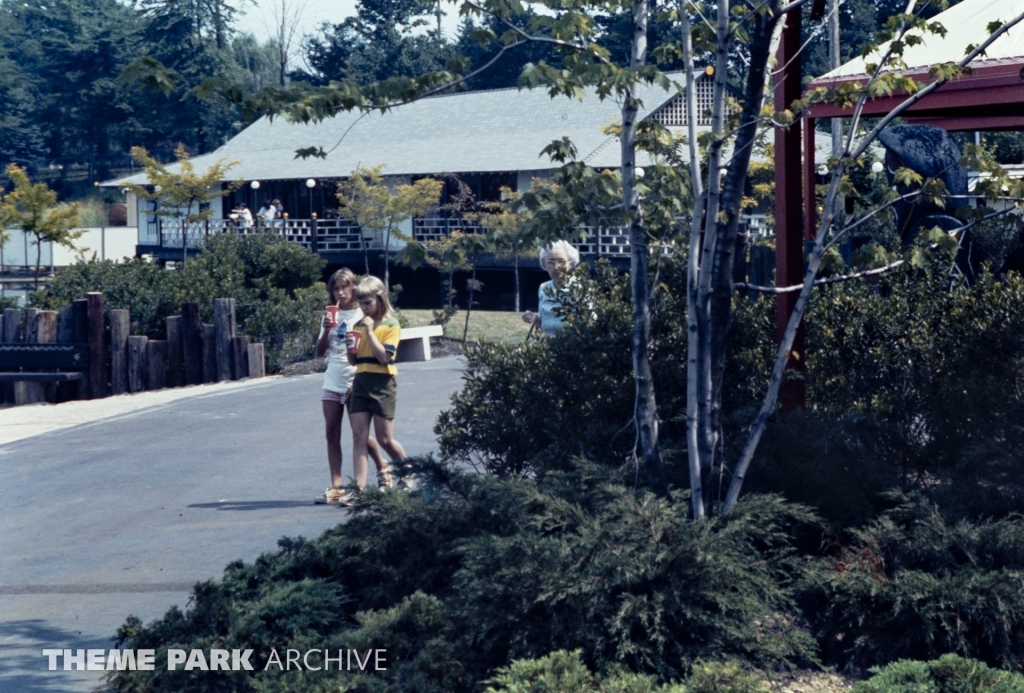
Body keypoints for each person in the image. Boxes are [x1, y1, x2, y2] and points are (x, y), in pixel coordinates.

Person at [314, 269, 388, 505]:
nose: (341, 292)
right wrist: (327, 329)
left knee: (360, 434)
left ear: (354, 288)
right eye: (336, 288)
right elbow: (318, 352)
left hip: (356, 377)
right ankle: (337, 485)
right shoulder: (329, 315)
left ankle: (382, 466)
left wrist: (356, 381)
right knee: (331, 431)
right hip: (332, 377)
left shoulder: (363, 313)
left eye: (345, 286)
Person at [348, 276, 409, 491]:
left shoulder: (391, 324)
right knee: (359, 436)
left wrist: (371, 331)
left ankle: (406, 469)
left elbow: (385, 358)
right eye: (361, 303)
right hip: (361, 381)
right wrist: (349, 346)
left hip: (382, 382)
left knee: (384, 439)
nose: (363, 308)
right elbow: (353, 360)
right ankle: (358, 488)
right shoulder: (358, 325)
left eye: (368, 303)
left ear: (380, 300)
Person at [522, 240, 580, 337]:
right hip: (547, 348)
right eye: (551, 262)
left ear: (570, 264)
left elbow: (591, 325)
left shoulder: (581, 288)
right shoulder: (544, 288)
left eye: (561, 261)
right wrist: (535, 318)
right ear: (545, 265)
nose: (556, 267)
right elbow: (544, 324)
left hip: (573, 349)